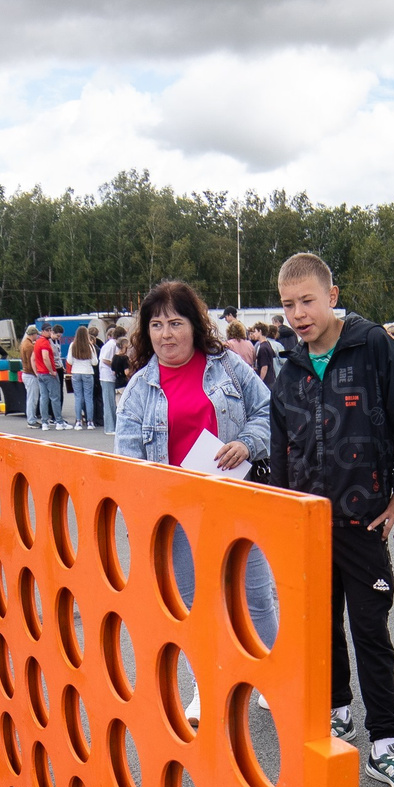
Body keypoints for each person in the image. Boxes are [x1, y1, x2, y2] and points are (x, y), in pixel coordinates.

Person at [268, 253, 394, 787]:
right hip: (309, 528)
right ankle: (336, 715)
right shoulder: (287, 366)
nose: (298, 313)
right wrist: (283, 511)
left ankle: (386, 745)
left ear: (332, 296)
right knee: (322, 629)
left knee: (370, 631)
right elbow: (279, 446)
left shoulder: (374, 348)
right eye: (289, 304)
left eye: (307, 301)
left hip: (364, 524)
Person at [111, 279, 280, 723]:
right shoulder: (138, 390)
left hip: (236, 503)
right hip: (176, 519)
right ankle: (208, 685)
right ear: (145, 331)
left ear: (194, 324)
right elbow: (129, 463)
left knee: (256, 597)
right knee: (192, 607)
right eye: (157, 324)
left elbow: (269, 412)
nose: (167, 334)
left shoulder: (227, 366)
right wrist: (145, 517)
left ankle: (274, 679)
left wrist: (246, 442)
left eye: (176, 322)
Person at [24, 323, 62, 429]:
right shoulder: (45, 343)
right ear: (44, 331)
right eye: (49, 330)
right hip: (47, 373)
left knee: (44, 398)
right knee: (54, 397)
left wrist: (36, 372)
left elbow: (33, 358)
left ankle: (45, 422)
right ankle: (58, 421)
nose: (50, 332)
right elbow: (45, 358)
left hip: (40, 373)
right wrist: (51, 371)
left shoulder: (37, 343)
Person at [65, 323, 99, 430]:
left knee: (78, 397)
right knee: (88, 397)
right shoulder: (90, 346)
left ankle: (78, 421)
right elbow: (95, 362)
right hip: (88, 372)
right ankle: (90, 422)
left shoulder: (72, 345)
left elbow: (69, 360)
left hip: (76, 372)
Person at [101, 326, 130, 433]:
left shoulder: (112, 345)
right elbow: (105, 359)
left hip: (112, 376)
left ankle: (113, 426)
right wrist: (118, 367)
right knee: (110, 403)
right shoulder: (112, 345)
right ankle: (110, 427)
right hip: (107, 376)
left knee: (115, 402)